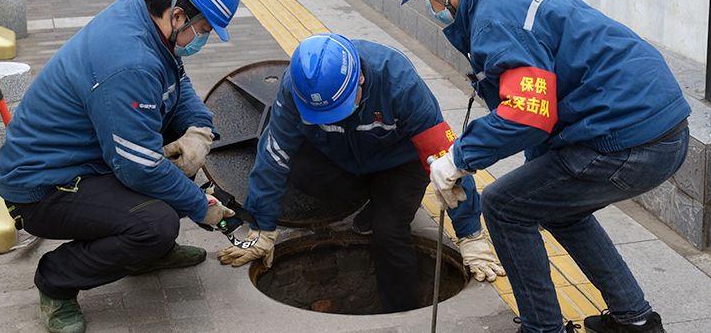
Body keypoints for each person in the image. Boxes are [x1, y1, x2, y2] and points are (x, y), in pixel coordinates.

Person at [394, 0, 691, 333]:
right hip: (657, 124)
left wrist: (458, 159)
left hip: (631, 138)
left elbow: (526, 114)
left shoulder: (493, 19)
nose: (432, 6)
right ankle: (636, 321)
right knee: (556, 207)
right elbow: (542, 112)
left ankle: (542, 329)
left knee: (504, 206)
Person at [0, 0, 244, 333]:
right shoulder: (130, 62)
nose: (203, 39)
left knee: (170, 165)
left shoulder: (142, 17)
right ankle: (56, 281)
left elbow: (177, 79)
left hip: (87, 158)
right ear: (178, 16)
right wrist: (199, 206)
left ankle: (147, 255)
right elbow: (139, 167)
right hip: (42, 186)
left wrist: (197, 129)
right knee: (155, 222)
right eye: (205, 30)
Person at [216, 33, 505, 313]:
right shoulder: (294, 88)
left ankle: (401, 313)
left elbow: (443, 155)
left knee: (389, 231)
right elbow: (274, 154)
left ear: (361, 79)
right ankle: (373, 201)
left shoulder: (399, 83)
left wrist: (469, 233)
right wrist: (262, 226)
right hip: (341, 159)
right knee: (298, 168)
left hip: (399, 164)